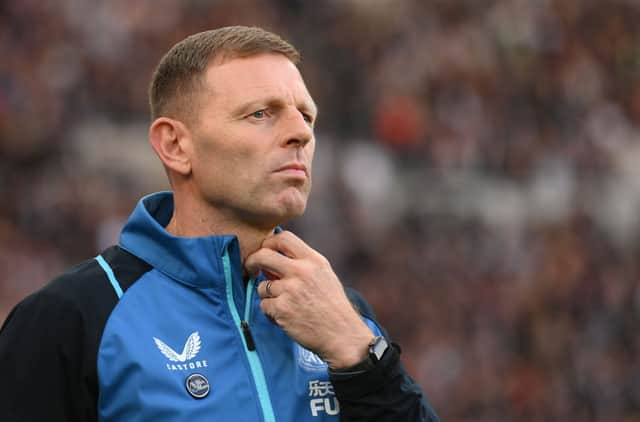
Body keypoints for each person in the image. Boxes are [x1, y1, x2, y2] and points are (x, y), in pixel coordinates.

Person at [0, 26, 438, 421]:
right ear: (175, 145)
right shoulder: (71, 318)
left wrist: (362, 357)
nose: (300, 134)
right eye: (260, 114)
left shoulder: (344, 314)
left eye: (306, 116)